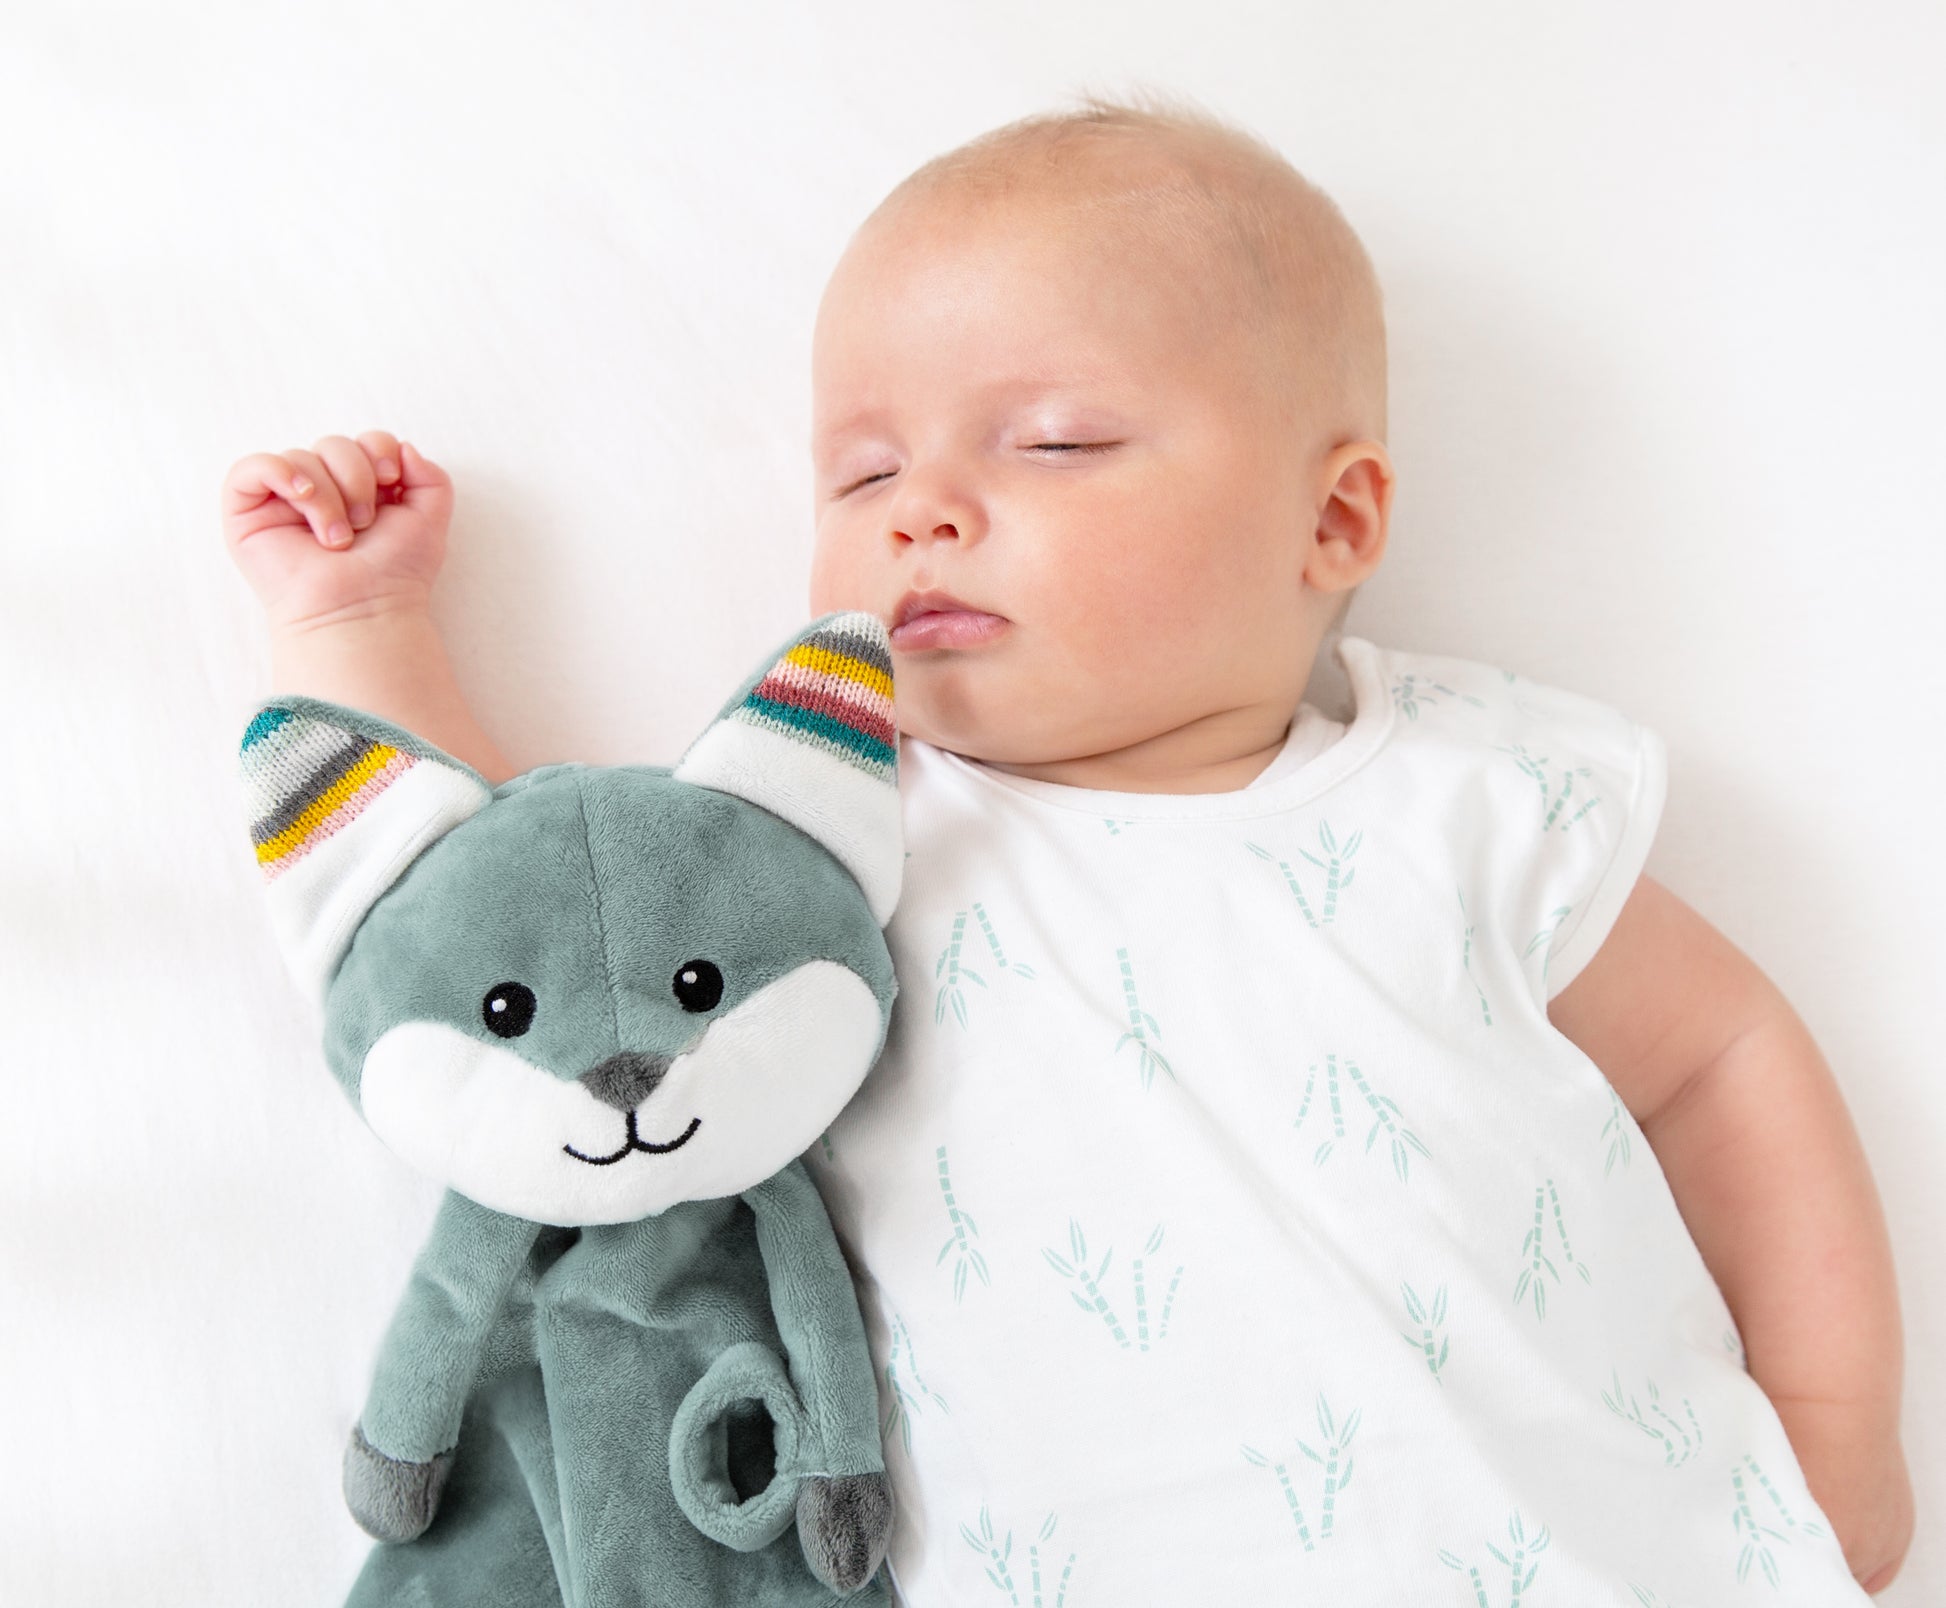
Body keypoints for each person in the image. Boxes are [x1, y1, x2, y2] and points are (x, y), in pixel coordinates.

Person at [221, 96, 1912, 1602]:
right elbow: (513, 925)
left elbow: (1719, 1061)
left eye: (1054, 442)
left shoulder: (1464, 808)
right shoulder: (825, 857)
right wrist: (359, 618)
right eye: (863, 466)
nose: (920, 510)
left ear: (1330, 519)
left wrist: (1835, 1421)